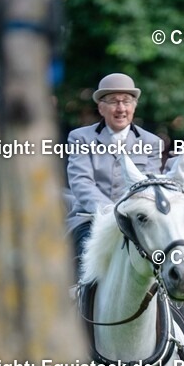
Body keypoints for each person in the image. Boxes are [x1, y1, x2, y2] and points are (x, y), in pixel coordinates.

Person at [65, 73, 163, 262]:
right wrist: (111, 213)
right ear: (101, 107)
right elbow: (81, 182)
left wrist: (130, 216)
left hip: (136, 222)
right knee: (86, 261)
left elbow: (148, 187)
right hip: (90, 219)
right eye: (113, 102)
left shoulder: (152, 142)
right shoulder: (80, 138)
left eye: (126, 101)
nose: (121, 108)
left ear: (134, 106)